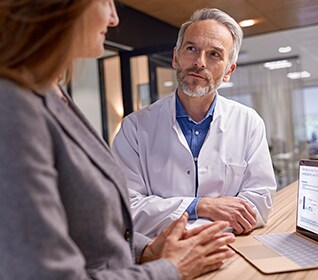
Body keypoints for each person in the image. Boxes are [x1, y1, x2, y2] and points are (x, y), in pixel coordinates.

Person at [0, 1, 236, 279]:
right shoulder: (13, 106)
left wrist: (147, 249)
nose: (113, 18)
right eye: (104, 1)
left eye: (214, 55)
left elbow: (89, 230)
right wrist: (171, 269)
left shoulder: (53, 93)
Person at [112, 8, 277, 238]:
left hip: (228, 251)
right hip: (162, 258)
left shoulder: (248, 123)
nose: (199, 62)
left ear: (229, 71)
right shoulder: (134, 128)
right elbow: (125, 207)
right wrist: (200, 206)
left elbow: (258, 202)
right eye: (191, 49)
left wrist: (187, 224)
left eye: (214, 55)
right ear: (175, 57)